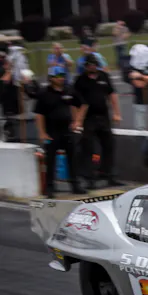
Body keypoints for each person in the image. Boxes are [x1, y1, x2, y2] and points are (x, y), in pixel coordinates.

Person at [33, 66, 86, 197]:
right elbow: (39, 114)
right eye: (58, 76)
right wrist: (42, 132)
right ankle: (50, 187)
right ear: (51, 78)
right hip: (51, 131)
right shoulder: (44, 93)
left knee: (72, 158)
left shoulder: (69, 90)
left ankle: (75, 184)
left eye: (62, 76)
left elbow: (83, 104)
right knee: (51, 160)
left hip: (67, 130)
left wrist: (78, 121)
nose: (61, 78)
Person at [73, 54, 122, 189]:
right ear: (86, 66)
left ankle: (109, 175)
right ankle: (89, 177)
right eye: (89, 65)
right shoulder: (80, 80)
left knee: (109, 145)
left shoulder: (104, 76)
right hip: (88, 118)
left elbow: (112, 94)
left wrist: (116, 113)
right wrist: (77, 120)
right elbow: (75, 102)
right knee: (89, 147)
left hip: (103, 116)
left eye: (94, 65)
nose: (92, 67)